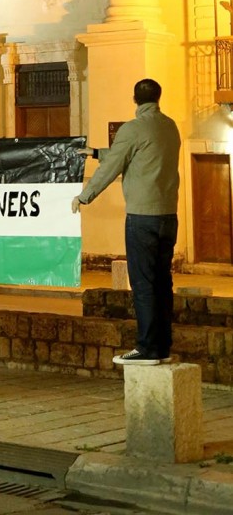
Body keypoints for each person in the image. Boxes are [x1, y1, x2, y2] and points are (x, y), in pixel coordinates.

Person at [71, 79, 180, 365]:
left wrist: (84, 196)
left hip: (142, 217)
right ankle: (162, 347)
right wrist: (96, 153)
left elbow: (114, 166)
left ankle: (146, 349)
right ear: (159, 97)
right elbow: (138, 153)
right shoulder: (170, 127)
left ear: (134, 99)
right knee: (162, 282)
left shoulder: (132, 129)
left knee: (143, 284)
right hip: (168, 216)